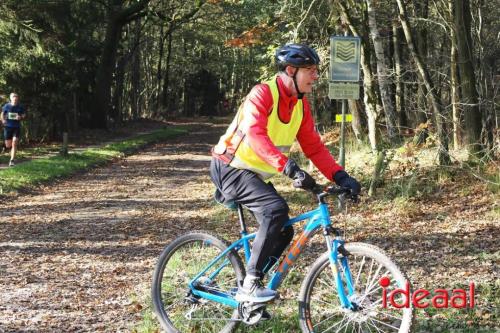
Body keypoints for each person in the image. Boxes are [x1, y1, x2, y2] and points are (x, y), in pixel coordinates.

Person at [209, 43, 361, 303]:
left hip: (253, 174)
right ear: (291, 70)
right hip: (229, 167)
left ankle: (251, 290)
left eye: (316, 70)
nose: (315, 76)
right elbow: (256, 136)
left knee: (284, 230)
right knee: (274, 210)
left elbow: (314, 147)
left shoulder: (300, 105)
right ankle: (250, 285)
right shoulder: (262, 94)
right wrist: (289, 168)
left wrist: (340, 176)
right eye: (310, 70)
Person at [2, 92, 26, 166]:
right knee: (8, 145)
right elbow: (2, 114)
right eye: (13, 97)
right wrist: (3, 120)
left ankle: (12, 160)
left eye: (16, 97)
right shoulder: (6, 106)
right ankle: (10, 150)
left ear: (17, 99)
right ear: (11, 98)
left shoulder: (20, 107)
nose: (15, 99)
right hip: (8, 127)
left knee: (14, 142)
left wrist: (21, 117)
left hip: (16, 127)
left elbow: (24, 115)